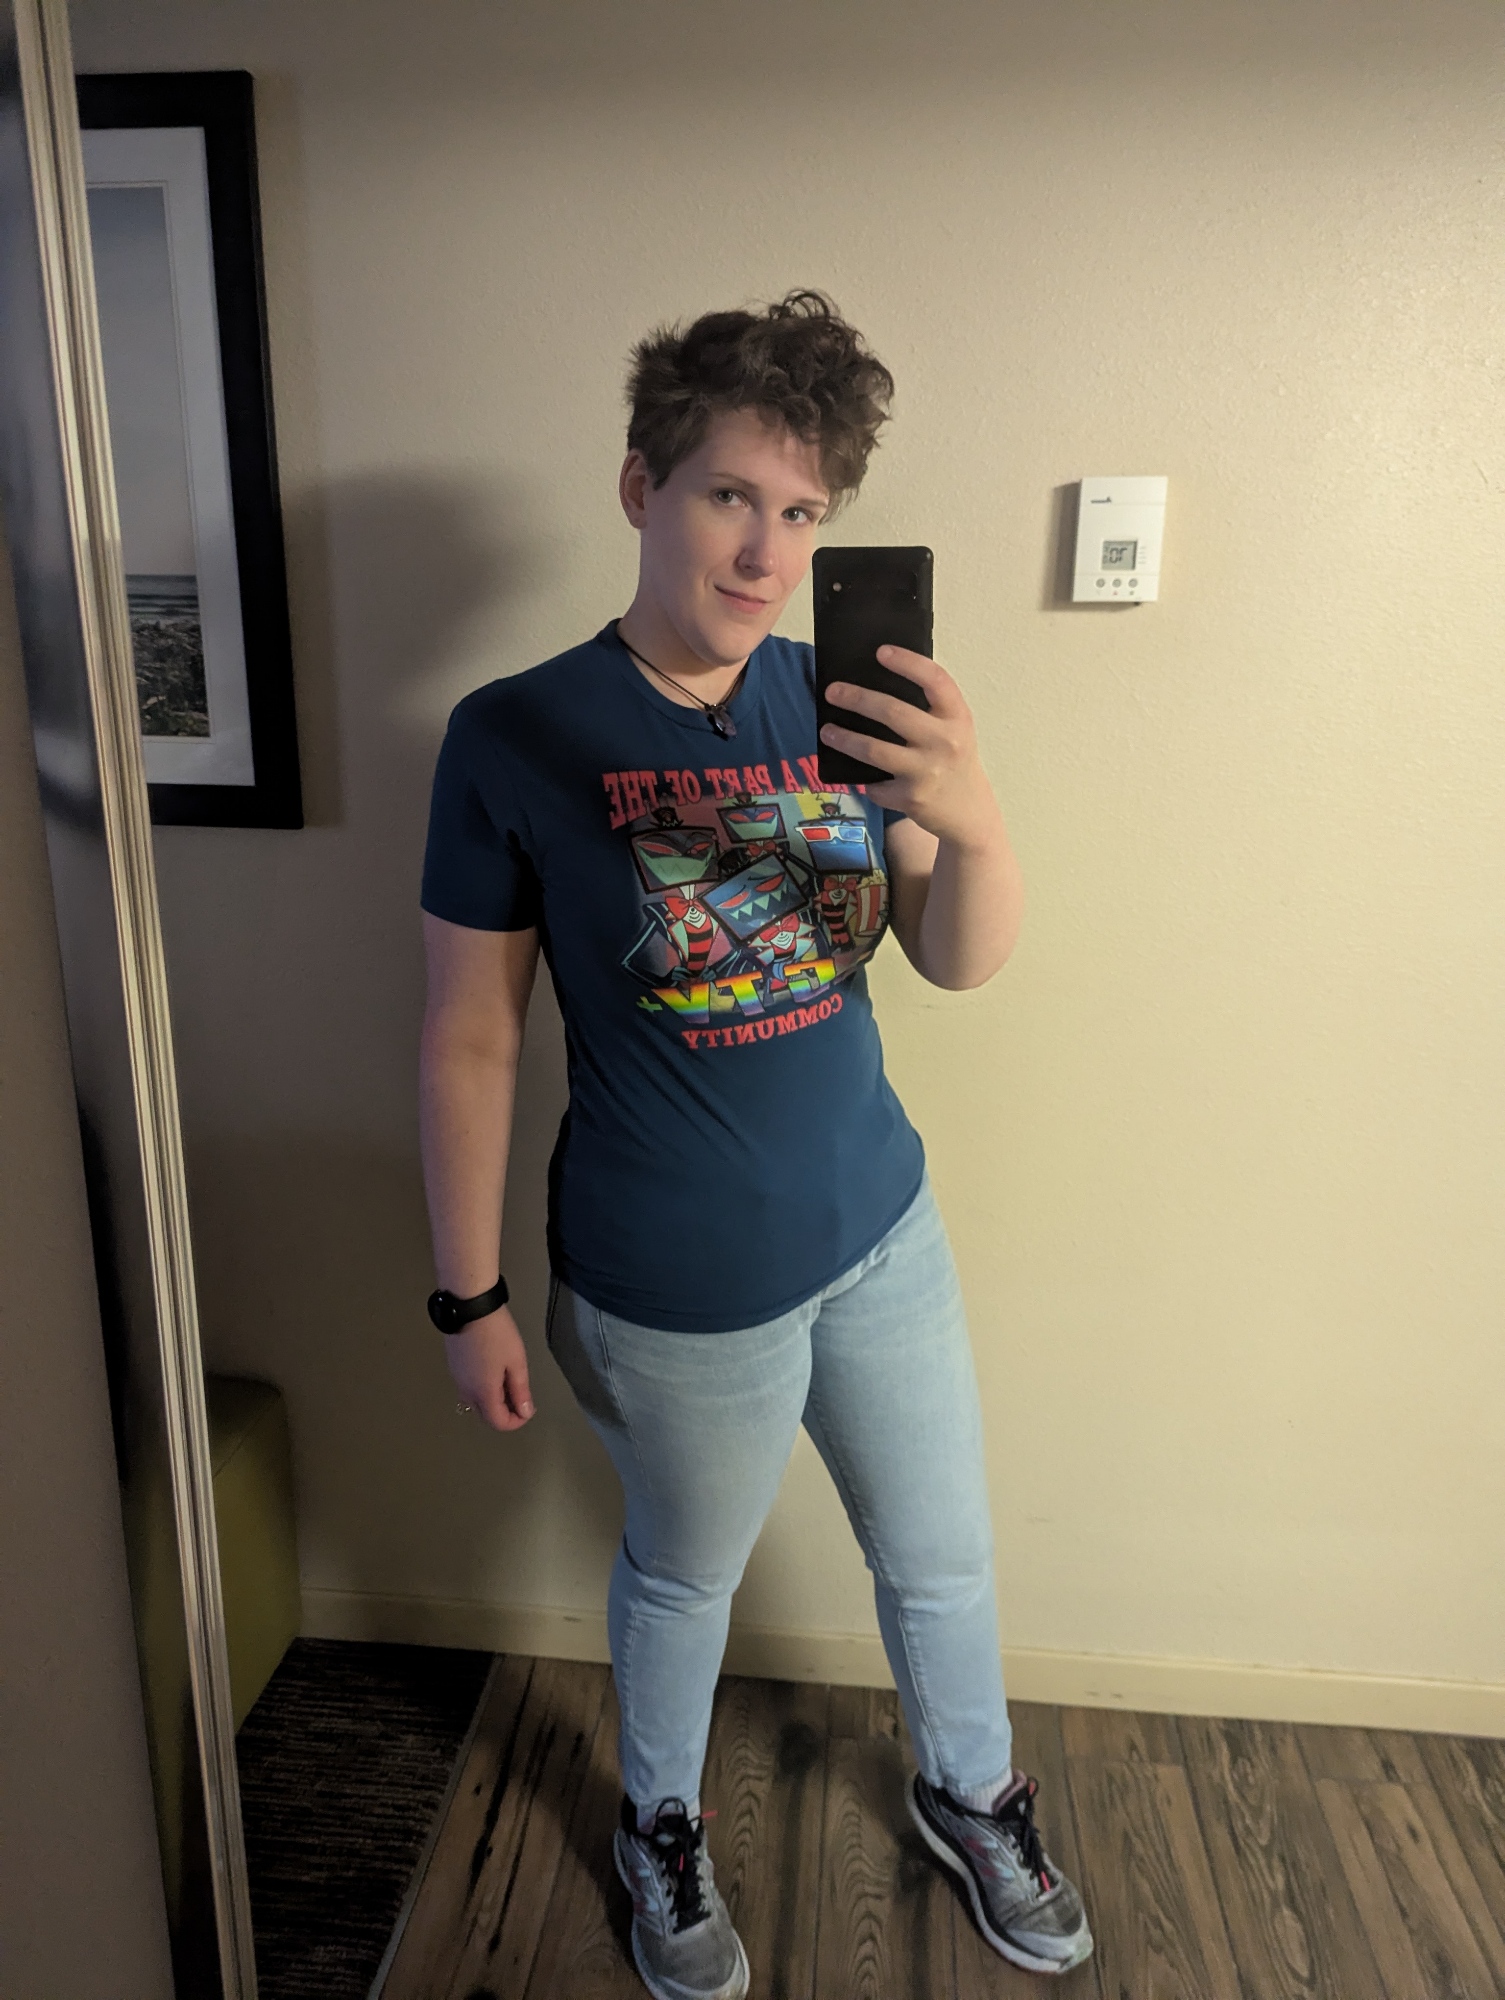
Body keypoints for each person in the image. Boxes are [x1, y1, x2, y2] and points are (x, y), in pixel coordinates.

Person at [418, 291, 1094, 1998]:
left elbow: (952, 959)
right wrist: (466, 1295)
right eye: (731, 495)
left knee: (939, 1558)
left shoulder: (845, 701)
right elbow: (471, 1032)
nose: (768, 551)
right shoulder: (515, 733)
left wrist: (969, 810)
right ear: (639, 485)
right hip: (674, 1283)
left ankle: (969, 1791)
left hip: (880, 1232)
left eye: (803, 511)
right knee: (682, 1581)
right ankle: (659, 1831)